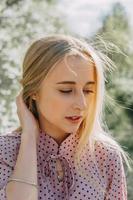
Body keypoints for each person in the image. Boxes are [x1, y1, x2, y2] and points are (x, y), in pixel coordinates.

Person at [0, 34, 130, 200]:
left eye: (88, 91)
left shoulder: (106, 157)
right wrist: (29, 136)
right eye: (66, 91)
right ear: (33, 91)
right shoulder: (4, 152)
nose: (82, 104)